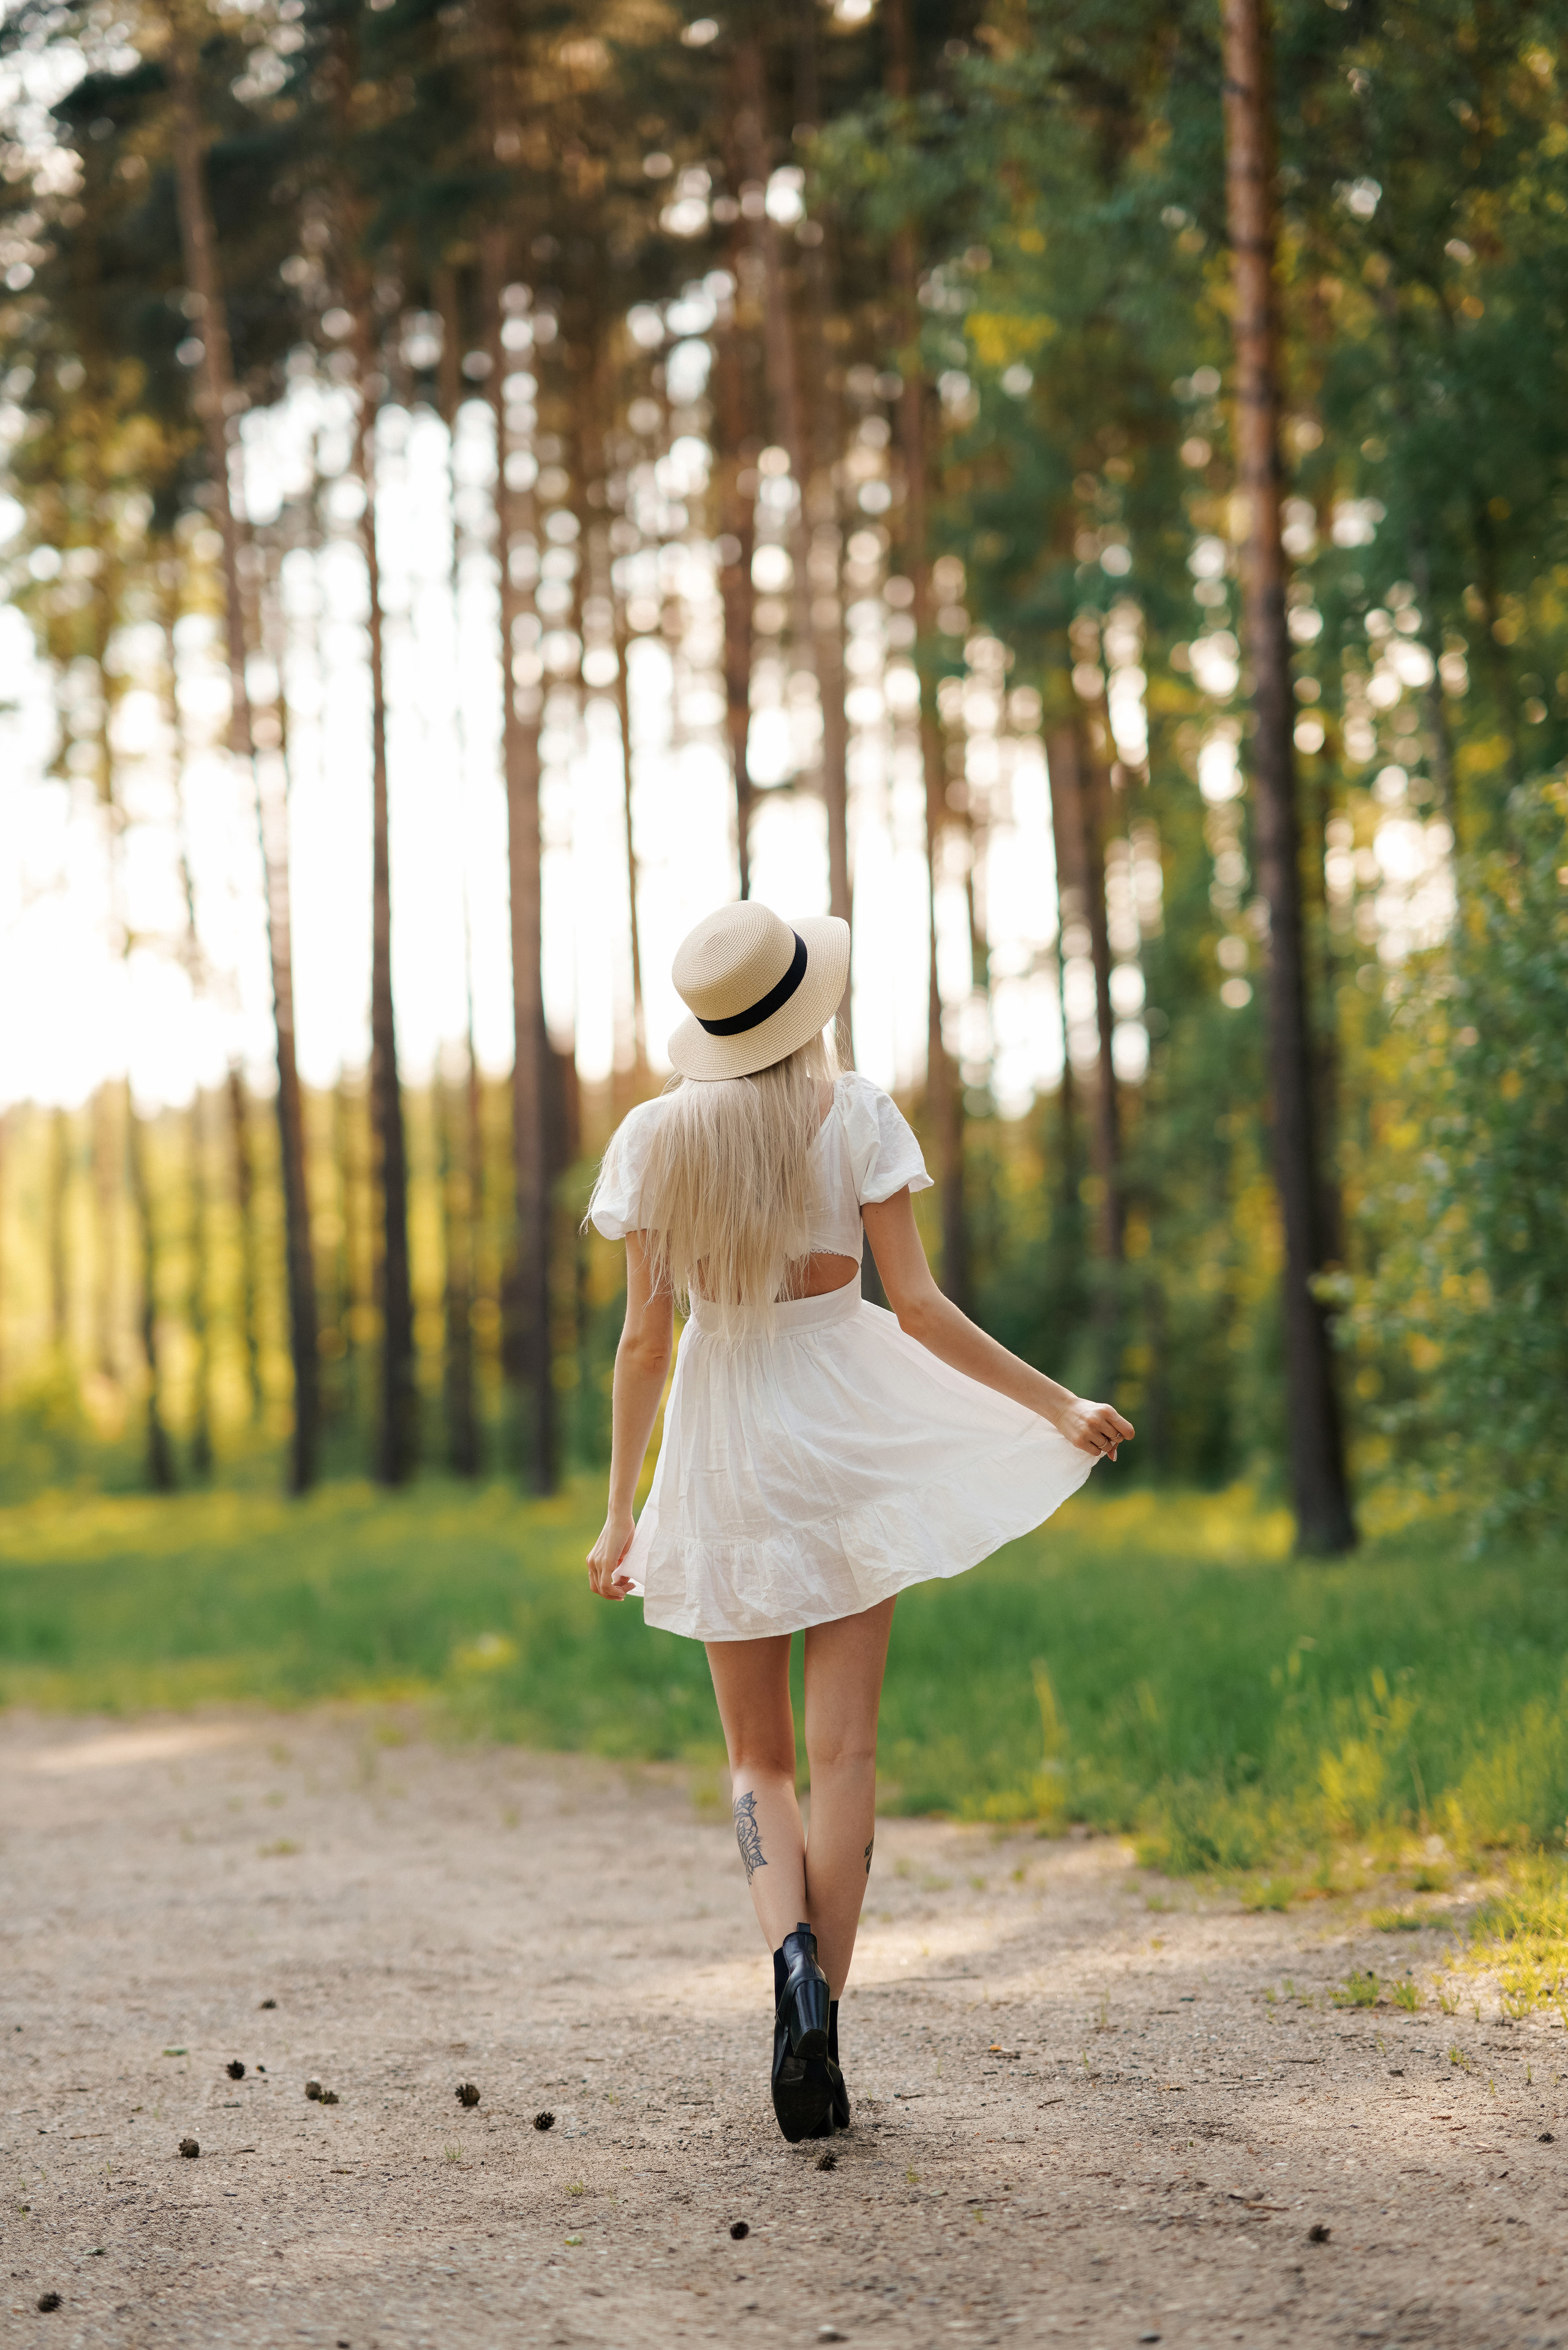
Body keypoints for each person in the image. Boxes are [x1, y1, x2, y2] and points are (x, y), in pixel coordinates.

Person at [584, 902, 1133, 2143]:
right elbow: (921, 1308)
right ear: (804, 1008)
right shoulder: (859, 1112)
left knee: (757, 1761)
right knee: (846, 1755)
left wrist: (621, 1513)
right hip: (846, 1437)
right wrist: (1056, 1403)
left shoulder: (654, 1137)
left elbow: (643, 1343)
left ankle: (784, 1962)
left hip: (722, 1450)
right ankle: (821, 2016)